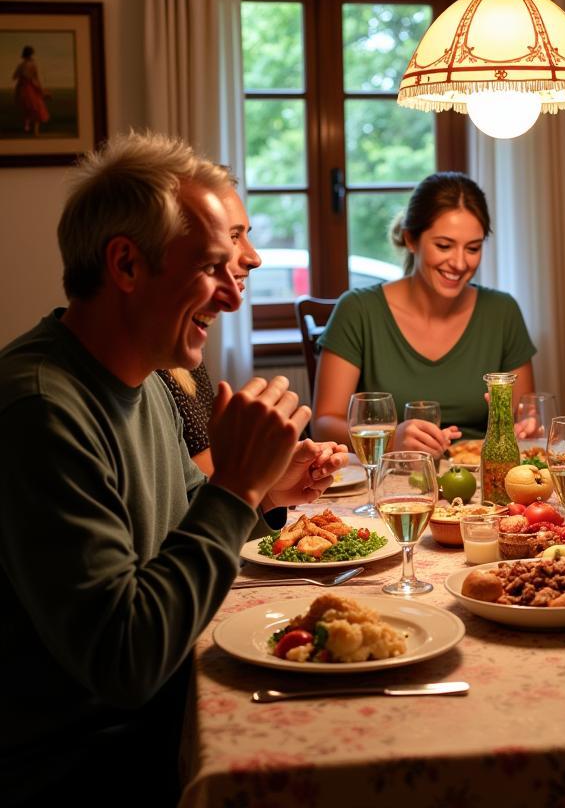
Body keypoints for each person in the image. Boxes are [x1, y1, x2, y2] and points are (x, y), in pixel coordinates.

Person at [0, 133, 340, 804]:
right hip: (86, 764)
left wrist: (267, 490)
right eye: (212, 266)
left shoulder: (150, 379)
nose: (232, 297)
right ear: (126, 264)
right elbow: (125, 661)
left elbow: (187, 524)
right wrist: (238, 484)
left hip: (162, 713)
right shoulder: (41, 410)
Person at [313, 171, 536, 457]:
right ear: (411, 239)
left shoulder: (502, 312)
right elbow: (323, 424)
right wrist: (390, 439)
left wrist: (527, 428)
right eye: (443, 245)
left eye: (473, 248)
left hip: (482, 484)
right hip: (392, 481)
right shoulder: (358, 310)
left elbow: (524, 417)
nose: (458, 263)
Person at [157, 182, 262, 474]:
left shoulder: (172, 351)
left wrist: (271, 490)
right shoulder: (51, 404)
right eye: (232, 237)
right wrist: (251, 475)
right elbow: (202, 493)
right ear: (127, 264)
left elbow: (190, 497)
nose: (255, 258)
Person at [12, 45, 50, 134]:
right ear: (30, 55)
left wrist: (22, 76)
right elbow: (35, 78)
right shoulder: (32, 64)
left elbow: (14, 77)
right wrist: (41, 90)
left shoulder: (20, 65)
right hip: (30, 87)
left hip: (22, 88)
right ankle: (34, 130)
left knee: (28, 108)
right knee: (36, 108)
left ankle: (27, 127)